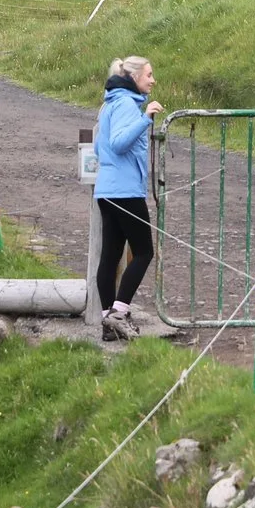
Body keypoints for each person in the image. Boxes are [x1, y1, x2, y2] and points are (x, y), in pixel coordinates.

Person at [93, 54, 161, 340]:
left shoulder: (110, 103)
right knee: (144, 252)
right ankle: (119, 313)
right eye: (149, 75)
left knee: (110, 256)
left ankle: (109, 323)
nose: (153, 80)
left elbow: (99, 149)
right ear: (134, 77)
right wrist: (145, 120)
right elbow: (119, 143)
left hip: (106, 190)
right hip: (125, 192)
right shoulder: (126, 105)